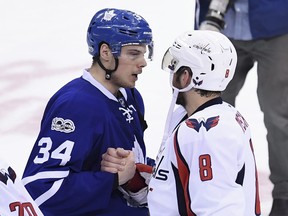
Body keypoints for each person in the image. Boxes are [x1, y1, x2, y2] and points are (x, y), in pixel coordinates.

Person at [21, 8, 154, 215]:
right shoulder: (76, 106)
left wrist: (139, 172)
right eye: (134, 53)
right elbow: (40, 190)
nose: (143, 62)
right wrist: (113, 179)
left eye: (144, 53)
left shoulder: (130, 96)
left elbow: (132, 165)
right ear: (106, 53)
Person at [146, 30, 261, 215]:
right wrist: (140, 174)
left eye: (174, 66)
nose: (170, 73)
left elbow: (219, 210)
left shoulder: (205, 133)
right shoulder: (219, 115)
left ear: (186, 76)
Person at [196, 0, 288, 215]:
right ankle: (211, 185)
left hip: (276, 26)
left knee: (278, 116)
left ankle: (285, 194)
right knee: (207, 113)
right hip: (219, 29)